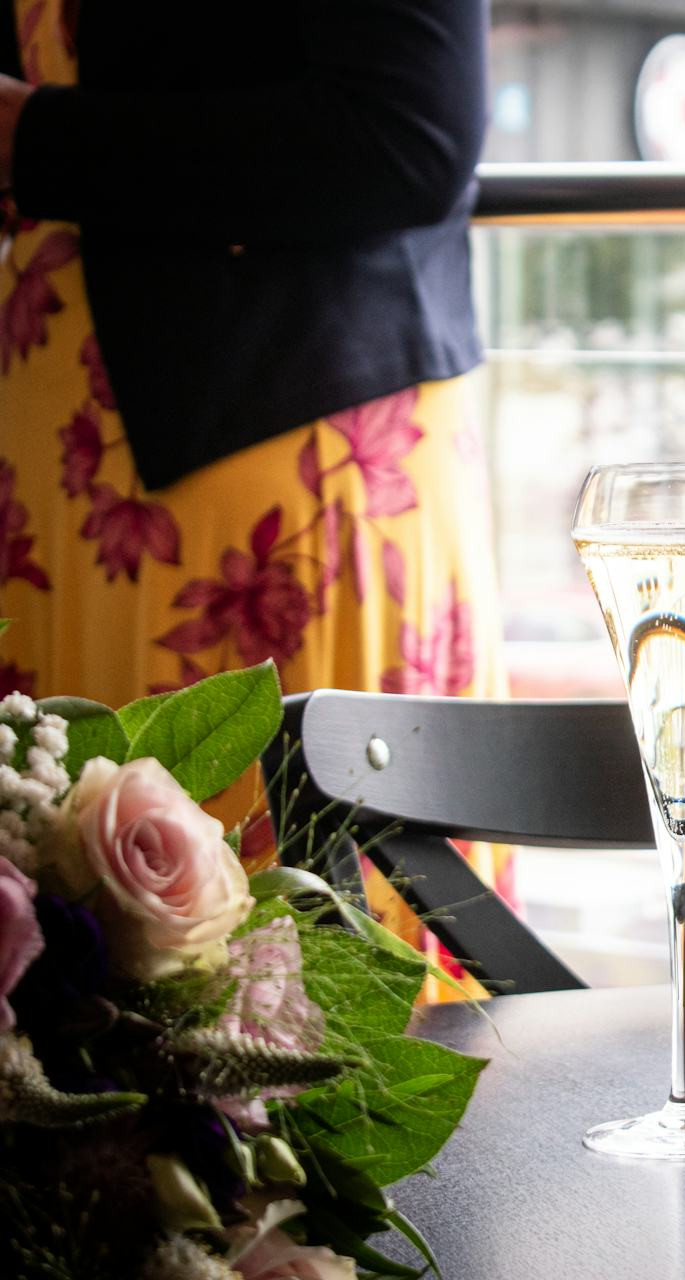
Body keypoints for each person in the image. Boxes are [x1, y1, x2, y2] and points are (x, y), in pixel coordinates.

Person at [0, 0, 511, 996]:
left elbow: (411, 136)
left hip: (281, 458)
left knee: (312, 998)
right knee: (76, 991)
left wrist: (40, 140)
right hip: (57, 480)